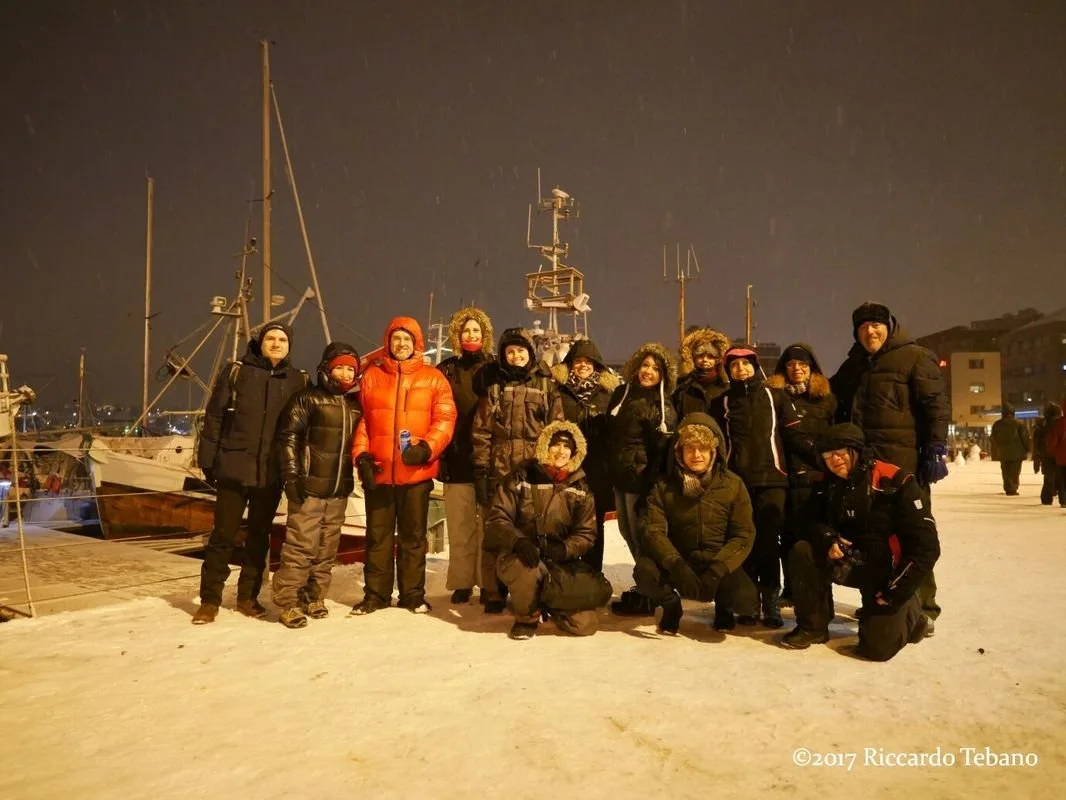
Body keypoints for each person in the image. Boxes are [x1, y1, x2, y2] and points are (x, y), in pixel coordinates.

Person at [830, 301, 949, 628]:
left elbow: (936, 405)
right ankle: (878, 597)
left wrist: (936, 447)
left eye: (876, 325)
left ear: (889, 326)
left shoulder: (914, 357)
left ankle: (924, 607)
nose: (870, 332)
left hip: (903, 466)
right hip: (865, 469)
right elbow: (828, 397)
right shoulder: (853, 366)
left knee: (913, 535)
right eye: (863, 327)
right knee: (873, 535)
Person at [781, 424, 940, 661]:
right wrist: (828, 539)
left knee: (877, 650)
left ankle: (913, 615)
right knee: (802, 550)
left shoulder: (895, 481)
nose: (834, 460)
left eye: (840, 452)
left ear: (856, 450)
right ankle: (813, 627)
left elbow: (927, 547)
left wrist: (895, 591)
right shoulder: (827, 483)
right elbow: (807, 521)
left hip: (887, 573)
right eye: (827, 456)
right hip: (848, 561)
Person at [194, 323, 307, 624]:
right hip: (234, 466)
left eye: (282, 340)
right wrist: (208, 460)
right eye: (270, 338)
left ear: (289, 346)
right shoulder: (237, 372)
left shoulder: (297, 380)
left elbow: (301, 428)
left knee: (259, 537)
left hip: (270, 472)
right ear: (260, 342)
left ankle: (248, 597)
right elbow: (215, 417)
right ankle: (209, 600)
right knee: (223, 535)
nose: (276, 344)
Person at [350, 317, 457, 615]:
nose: (401, 344)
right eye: (396, 338)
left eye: (406, 339)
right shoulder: (372, 377)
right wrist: (361, 456)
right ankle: (375, 595)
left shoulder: (433, 378)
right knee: (378, 537)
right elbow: (364, 421)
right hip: (380, 472)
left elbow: (445, 419)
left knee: (413, 538)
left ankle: (412, 595)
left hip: (416, 473)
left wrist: (427, 448)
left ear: (416, 344)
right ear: (388, 342)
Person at [708, 345, 813, 628]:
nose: (740, 369)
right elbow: (714, 443)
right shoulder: (721, 402)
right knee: (741, 542)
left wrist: (818, 455)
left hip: (772, 481)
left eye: (746, 364)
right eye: (734, 365)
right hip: (737, 483)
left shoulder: (775, 396)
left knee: (767, 544)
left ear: (755, 367)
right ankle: (747, 602)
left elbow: (794, 435)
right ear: (728, 370)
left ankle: (770, 602)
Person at [635, 413, 758, 634]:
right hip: (680, 560)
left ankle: (724, 608)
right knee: (645, 572)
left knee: (746, 600)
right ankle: (671, 607)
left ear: (714, 451)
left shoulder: (733, 485)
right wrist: (676, 565)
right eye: (690, 448)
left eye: (703, 448)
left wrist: (718, 569)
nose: (696, 455)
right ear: (679, 451)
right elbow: (653, 531)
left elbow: (743, 534)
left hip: (716, 561)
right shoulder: (663, 486)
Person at [472, 327, 564, 612]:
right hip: (500, 471)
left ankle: (536, 588)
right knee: (495, 530)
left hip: (534, 472)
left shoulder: (546, 387)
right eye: (510, 351)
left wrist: (549, 467)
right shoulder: (495, 388)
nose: (516, 356)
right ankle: (493, 591)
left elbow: (556, 429)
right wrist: (481, 471)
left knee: (534, 530)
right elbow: (482, 432)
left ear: (530, 353)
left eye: (521, 350)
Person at [484, 421, 603, 640]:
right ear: (545, 445)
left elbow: (586, 533)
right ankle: (526, 617)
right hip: (520, 555)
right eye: (555, 444)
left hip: (557, 560)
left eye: (567, 446)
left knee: (585, 624)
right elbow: (497, 518)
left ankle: (551, 603)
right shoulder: (521, 476)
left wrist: (564, 549)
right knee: (526, 570)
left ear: (575, 452)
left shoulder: (580, 487)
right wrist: (518, 542)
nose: (561, 451)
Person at [271, 343, 362, 628]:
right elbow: (288, 437)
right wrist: (291, 476)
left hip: (338, 489)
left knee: (327, 548)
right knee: (301, 546)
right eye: (339, 367)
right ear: (326, 369)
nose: (345, 373)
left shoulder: (354, 405)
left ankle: (314, 596)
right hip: (308, 487)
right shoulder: (307, 398)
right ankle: (288, 601)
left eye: (350, 369)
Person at [606, 342, 678, 616]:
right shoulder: (622, 394)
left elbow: (662, 453)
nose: (648, 371)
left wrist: (650, 487)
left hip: (642, 483)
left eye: (656, 368)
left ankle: (652, 592)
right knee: (626, 532)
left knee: (641, 538)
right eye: (645, 365)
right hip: (621, 479)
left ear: (664, 375)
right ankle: (645, 587)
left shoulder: (662, 406)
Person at [766, 343, 837, 604]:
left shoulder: (826, 398)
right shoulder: (772, 397)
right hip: (783, 476)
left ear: (811, 368)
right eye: (791, 364)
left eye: (803, 364)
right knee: (786, 536)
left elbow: (835, 434)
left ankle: (819, 591)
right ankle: (791, 589)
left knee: (815, 535)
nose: (797, 369)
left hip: (815, 477)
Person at [435, 307, 494, 605]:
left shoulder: (494, 368)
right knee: (460, 527)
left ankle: (488, 582)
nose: (471, 335)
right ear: (457, 335)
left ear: (485, 335)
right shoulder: (446, 370)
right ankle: (461, 582)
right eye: (465, 330)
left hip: (489, 461)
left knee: (487, 526)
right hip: (456, 458)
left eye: (476, 330)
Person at [551, 339, 620, 571]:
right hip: (567, 468)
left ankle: (592, 573)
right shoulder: (558, 392)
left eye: (588, 362)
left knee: (593, 524)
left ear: (597, 365)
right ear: (570, 364)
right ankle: (564, 572)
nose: (583, 365)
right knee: (563, 520)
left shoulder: (608, 395)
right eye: (578, 361)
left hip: (598, 471)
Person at [672, 327, 731, 418]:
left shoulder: (725, 386)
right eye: (700, 356)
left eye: (710, 356)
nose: (705, 360)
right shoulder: (683, 386)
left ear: (717, 359)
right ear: (693, 357)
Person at [989, 403, 1030, 496]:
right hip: (1017, 452)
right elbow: (1024, 437)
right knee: (1014, 471)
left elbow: (993, 438)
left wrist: (998, 447)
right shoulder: (1019, 423)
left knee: (1005, 471)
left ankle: (1008, 487)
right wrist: (1027, 448)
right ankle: (1012, 488)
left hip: (1003, 452)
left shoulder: (997, 424)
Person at [1033, 402, 1063, 505]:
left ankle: (1046, 498)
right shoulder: (1061, 423)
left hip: (1045, 454)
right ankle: (1061, 497)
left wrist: (1037, 455)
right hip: (1059, 454)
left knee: (1048, 477)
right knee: (1060, 476)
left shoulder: (1041, 424)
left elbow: (1036, 441)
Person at [1046, 399, 1066, 508]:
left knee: (1062, 480)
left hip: (1061, 458)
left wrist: (1052, 451)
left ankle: (1064, 500)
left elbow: (1053, 441)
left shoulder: (1060, 424)